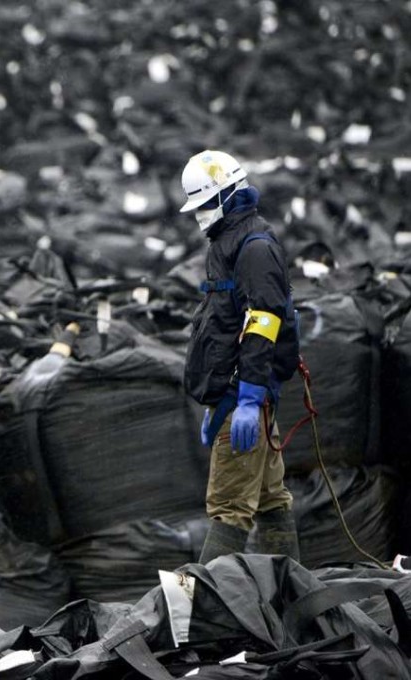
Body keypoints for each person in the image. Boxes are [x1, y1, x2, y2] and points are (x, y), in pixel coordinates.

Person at [178, 149, 301, 564]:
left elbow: (263, 322)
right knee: (269, 499)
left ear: (227, 195)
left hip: (245, 396)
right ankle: (289, 594)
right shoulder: (229, 243)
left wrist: (246, 399)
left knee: (230, 505)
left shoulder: (254, 248)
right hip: (240, 396)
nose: (199, 216)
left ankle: (213, 614)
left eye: (203, 205)